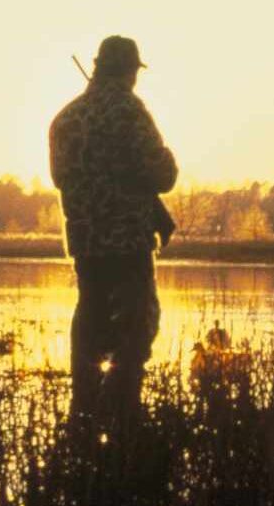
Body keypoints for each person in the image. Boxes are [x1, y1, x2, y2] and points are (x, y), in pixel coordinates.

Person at [49, 35, 178, 421]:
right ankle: (122, 407)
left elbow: (59, 179)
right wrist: (167, 159)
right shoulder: (128, 110)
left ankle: (85, 407)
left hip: (85, 244)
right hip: (128, 243)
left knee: (90, 315)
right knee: (138, 322)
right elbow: (162, 175)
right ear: (128, 71)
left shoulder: (66, 118)